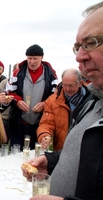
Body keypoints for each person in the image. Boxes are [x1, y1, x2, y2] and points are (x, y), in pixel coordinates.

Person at [22, 2, 103, 199]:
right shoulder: (92, 104)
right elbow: (80, 155)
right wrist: (51, 160)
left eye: (91, 42)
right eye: (78, 47)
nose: (80, 57)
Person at [6, 44, 58, 150]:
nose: (32, 62)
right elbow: (8, 91)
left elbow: (55, 95)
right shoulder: (18, 72)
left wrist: (45, 103)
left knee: (36, 155)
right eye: (29, 58)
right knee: (16, 153)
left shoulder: (51, 74)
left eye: (35, 59)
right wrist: (18, 101)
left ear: (42, 58)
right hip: (18, 122)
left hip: (39, 123)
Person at [37, 68, 88, 151]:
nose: (67, 89)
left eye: (71, 85)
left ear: (80, 83)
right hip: (62, 151)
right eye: (64, 85)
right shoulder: (52, 101)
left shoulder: (92, 99)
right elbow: (46, 124)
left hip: (86, 150)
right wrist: (44, 136)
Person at [0, 63, 18, 144]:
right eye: (17, 70)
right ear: (13, 71)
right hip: (5, 117)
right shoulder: (5, 82)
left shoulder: (24, 84)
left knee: (14, 144)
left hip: (17, 119)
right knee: (1, 142)